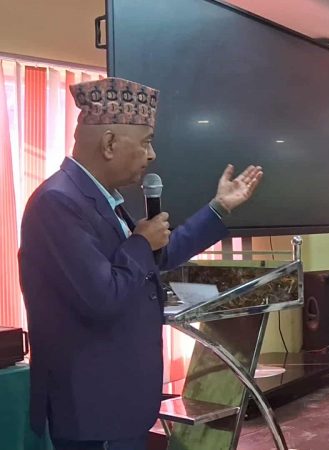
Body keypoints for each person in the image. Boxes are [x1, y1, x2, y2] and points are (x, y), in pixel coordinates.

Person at [18, 78, 263, 450]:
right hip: (93, 410)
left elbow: (153, 260)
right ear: (110, 144)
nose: (152, 155)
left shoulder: (102, 199)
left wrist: (218, 208)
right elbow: (102, 297)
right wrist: (140, 241)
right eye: (146, 142)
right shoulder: (59, 203)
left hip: (118, 403)